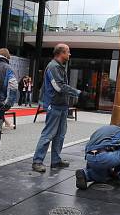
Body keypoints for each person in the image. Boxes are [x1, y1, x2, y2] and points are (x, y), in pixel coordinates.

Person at [32, 44, 86, 173]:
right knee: (48, 134)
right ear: (61, 53)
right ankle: (37, 161)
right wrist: (78, 93)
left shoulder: (59, 66)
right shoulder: (53, 67)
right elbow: (59, 87)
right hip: (54, 106)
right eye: (68, 52)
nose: (69, 54)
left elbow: (60, 87)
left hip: (61, 106)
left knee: (60, 135)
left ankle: (55, 160)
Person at [75, 124, 120, 189]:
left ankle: (85, 174)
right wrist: (116, 172)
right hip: (104, 157)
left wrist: (89, 167)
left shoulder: (102, 130)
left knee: (102, 177)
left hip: (90, 158)